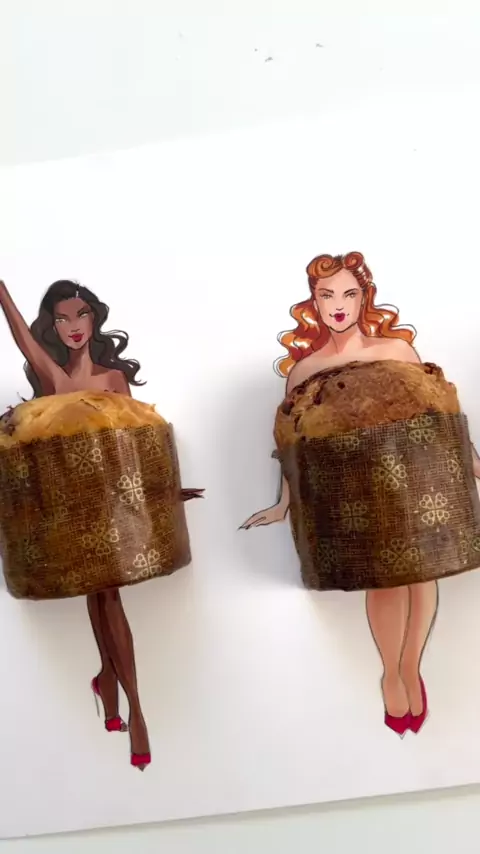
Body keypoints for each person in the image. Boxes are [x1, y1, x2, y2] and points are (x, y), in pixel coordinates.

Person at [241, 251, 480, 735]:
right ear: (313, 302)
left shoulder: (398, 351)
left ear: (364, 297)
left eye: (349, 294)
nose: (338, 305)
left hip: (413, 478)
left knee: (421, 576)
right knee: (383, 581)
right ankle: (391, 672)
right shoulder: (303, 371)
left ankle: (410, 666)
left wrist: (474, 465)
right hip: (354, 490)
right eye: (326, 295)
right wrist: (283, 503)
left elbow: (440, 415)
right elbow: (292, 443)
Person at [0, 278, 151, 769]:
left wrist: (162, 490)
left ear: (94, 318)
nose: (73, 326)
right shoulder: (53, 377)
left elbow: (137, 439)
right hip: (67, 504)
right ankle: (121, 695)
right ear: (52, 325)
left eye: (81, 314)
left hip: (112, 500)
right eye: (61, 318)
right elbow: (20, 335)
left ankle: (127, 699)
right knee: (99, 591)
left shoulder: (112, 379)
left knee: (107, 594)